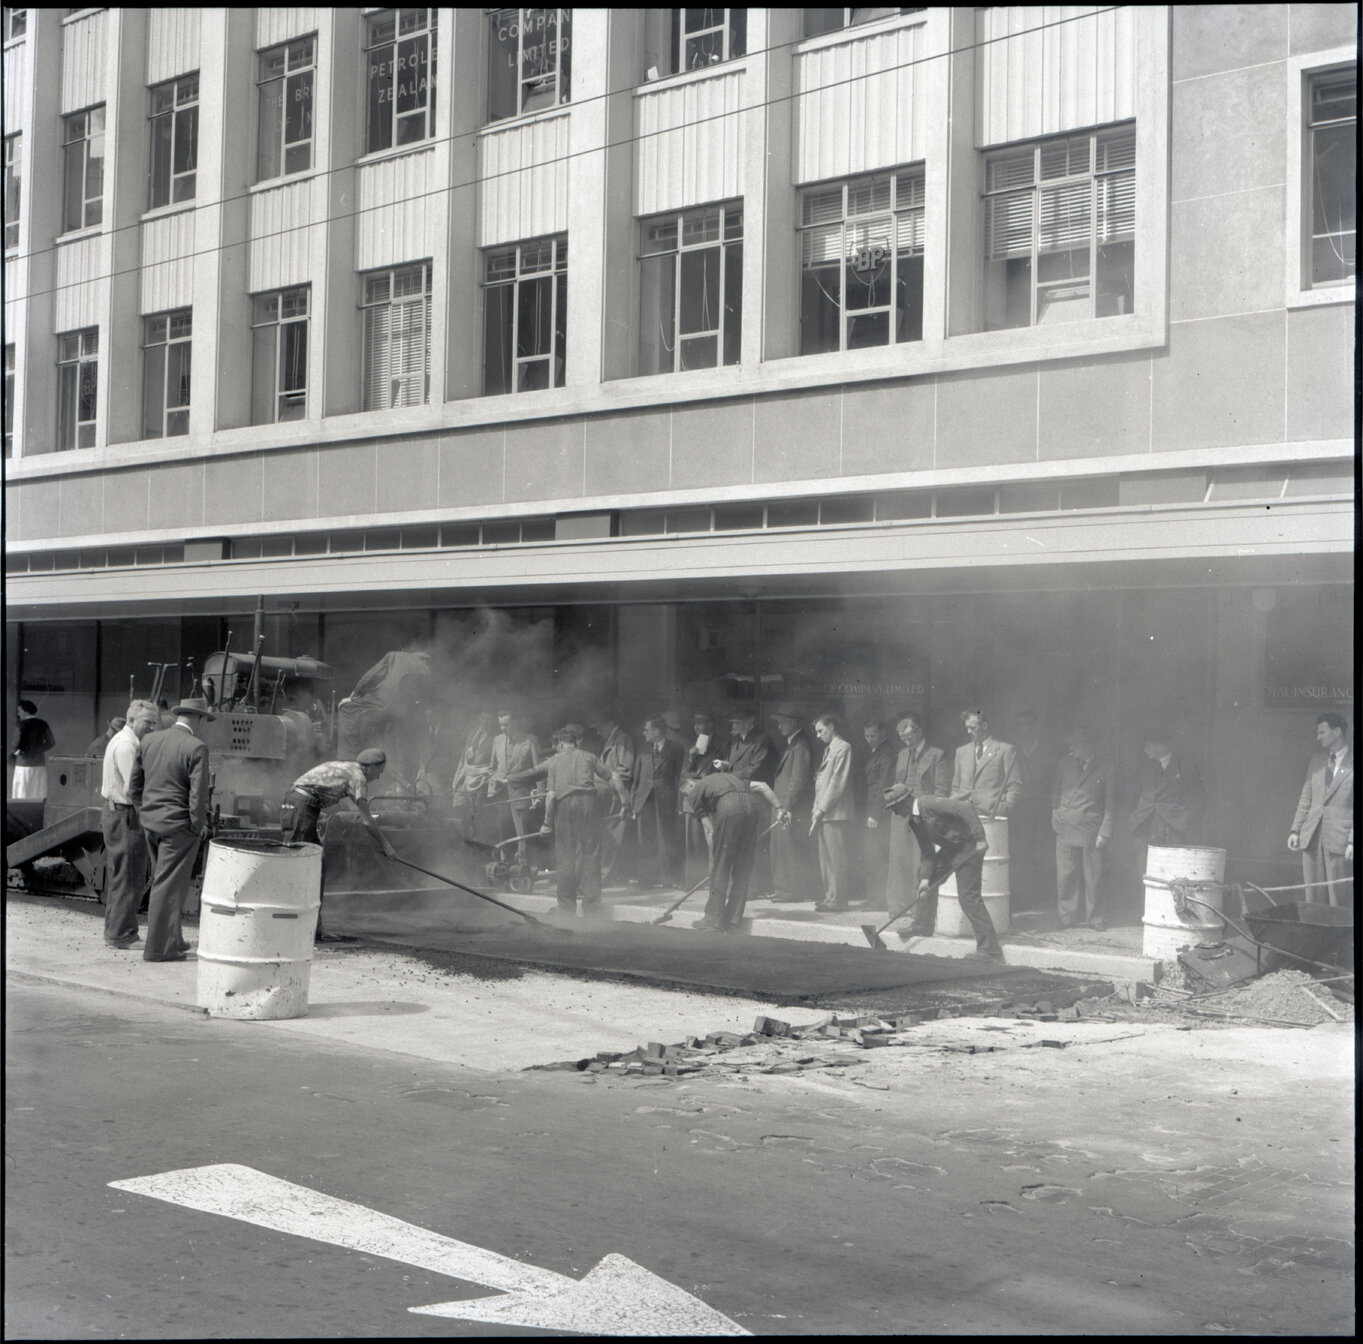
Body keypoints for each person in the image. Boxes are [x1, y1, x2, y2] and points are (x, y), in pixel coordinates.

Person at [282, 748, 398, 942]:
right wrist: (386, 845)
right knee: (300, 865)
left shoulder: (348, 769)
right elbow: (367, 820)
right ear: (372, 767)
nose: (378, 777)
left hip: (304, 805)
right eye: (380, 771)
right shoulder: (358, 777)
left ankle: (314, 926)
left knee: (317, 866)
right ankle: (292, 926)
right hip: (301, 806)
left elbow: (324, 790)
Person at [129, 700, 214, 962]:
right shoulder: (196, 747)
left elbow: (135, 786)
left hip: (151, 824)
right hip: (179, 828)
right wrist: (196, 825)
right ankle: (158, 949)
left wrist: (145, 812)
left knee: (165, 882)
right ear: (198, 719)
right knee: (169, 886)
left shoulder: (149, 741)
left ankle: (173, 940)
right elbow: (198, 795)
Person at [887, 786, 1003, 960]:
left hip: (969, 846)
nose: (895, 813)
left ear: (905, 802)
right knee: (925, 877)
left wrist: (980, 838)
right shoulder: (914, 821)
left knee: (968, 897)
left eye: (895, 808)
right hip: (951, 849)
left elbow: (965, 808)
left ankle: (990, 950)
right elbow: (927, 852)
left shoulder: (930, 803)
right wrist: (926, 879)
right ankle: (922, 925)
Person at [512, 724, 612, 916]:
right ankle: (592, 907)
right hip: (590, 806)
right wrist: (623, 803)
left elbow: (550, 796)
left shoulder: (555, 761)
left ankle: (566, 907)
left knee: (566, 856)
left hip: (565, 807)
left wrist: (547, 823)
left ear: (559, 743)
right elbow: (612, 777)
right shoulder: (590, 756)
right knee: (591, 854)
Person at [681, 771, 788, 931]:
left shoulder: (695, 792)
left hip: (729, 807)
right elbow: (763, 787)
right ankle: (733, 918)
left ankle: (712, 920)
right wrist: (780, 808)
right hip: (751, 807)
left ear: (690, 784)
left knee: (721, 867)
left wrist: (717, 855)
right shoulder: (728, 778)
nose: (687, 797)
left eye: (685, 794)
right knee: (743, 867)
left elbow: (709, 830)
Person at [98, 701, 159, 949]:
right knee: (130, 876)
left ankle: (114, 931)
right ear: (132, 720)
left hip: (118, 814)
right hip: (126, 815)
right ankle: (122, 935)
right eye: (148, 723)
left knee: (122, 875)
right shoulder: (127, 745)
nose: (152, 728)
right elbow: (134, 789)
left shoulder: (128, 741)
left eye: (154, 723)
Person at [885, 711, 950, 922]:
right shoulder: (903, 754)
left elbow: (941, 791)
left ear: (919, 732)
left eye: (909, 737)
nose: (906, 742)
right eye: (902, 739)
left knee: (920, 862)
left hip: (923, 817)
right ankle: (897, 908)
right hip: (901, 816)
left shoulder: (936, 755)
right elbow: (897, 782)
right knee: (898, 862)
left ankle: (918, 910)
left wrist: (927, 812)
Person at [1051, 725, 1116, 930]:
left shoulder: (1106, 768)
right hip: (1065, 826)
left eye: (1076, 746)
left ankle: (1096, 918)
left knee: (1094, 877)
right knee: (1066, 874)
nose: (1071, 749)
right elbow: (1055, 793)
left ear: (1088, 746)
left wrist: (1104, 832)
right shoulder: (1065, 763)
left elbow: (1111, 805)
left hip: (1091, 829)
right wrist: (1056, 817)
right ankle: (1067, 917)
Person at [1288, 712, 1353, 906]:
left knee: (1338, 899)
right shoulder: (1316, 762)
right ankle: (1317, 936)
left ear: (1337, 732)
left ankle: (1340, 937)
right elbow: (1306, 798)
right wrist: (1295, 830)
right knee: (1313, 897)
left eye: (1322, 732)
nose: (1318, 737)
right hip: (1312, 838)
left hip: (1339, 841)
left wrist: (1352, 841)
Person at [336, 649, 433, 778]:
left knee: (347, 708)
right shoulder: (427, 671)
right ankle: (402, 774)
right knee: (403, 737)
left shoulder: (394, 656)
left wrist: (355, 694)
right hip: (407, 711)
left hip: (385, 703)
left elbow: (372, 675)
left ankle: (348, 761)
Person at [1130, 726, 1206, 870]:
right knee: (1145, 873)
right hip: (1146, 827)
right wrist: (1135, 817)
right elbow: (1133, 796)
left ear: (1161, 745)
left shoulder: (1185, 767)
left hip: (1174, 830)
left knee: (1172, 872)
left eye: (1148, 746)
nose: (1145, 750)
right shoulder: (1144, 768)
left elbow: (1200, 800)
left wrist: (1186, 821)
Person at [767, 704, 818, 903]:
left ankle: (791, 891)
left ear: (794, 723)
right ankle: (782, 889)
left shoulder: (801, 744)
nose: (779, 727)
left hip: (789, 807)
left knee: (789, 849)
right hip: (782, 805)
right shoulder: (793, 742)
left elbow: (798, 781)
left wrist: (787, 808)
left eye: (782, 723)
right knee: (781, 848)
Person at [1010, 709, 1057, 912]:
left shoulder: (1048, 752)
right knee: (1021, 854)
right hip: (1019, 814)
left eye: (1026, 725)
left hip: (1043, 812)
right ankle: (1023, 899)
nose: (1023, 730)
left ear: (1035, 727)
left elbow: (1056, 784)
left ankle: (1045, 898)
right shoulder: (1012, 752)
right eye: (1019, 725)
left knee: (1044, 854)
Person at [811, 713, 857, 911]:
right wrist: (816, 810)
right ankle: (830, 897)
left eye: (821, 730)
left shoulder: (843, 747)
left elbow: (837, 782)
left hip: (835, 813)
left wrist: (821, 809)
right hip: (825, 813)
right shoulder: (829, 750)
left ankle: (838, 900)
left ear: (831, 727)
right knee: (826, 858)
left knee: (836, 857)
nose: (818, 735)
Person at [631, 717, 684, 887]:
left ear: (658, 731)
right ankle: (646, 879)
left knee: (666, 838)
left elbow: (679, 777)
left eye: (647, 730)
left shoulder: (676, 748)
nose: (644, 733)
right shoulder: (643, 749)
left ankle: (669, 879)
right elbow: (636, 778)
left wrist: (680, 802)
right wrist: (634, 803)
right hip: (644, 800)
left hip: (666, 799)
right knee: (645, 840)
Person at [487, 709, 542, 865]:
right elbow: (492, 767)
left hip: (521, 791)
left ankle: (525, 865)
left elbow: (539, 770)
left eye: (506, 724)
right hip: (501, 792)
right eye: (501, 725)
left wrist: (538, 794)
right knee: (503, 828)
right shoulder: (496, 740)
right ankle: (505, 862)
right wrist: (494, 779)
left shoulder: (530, 740)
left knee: (522, 831)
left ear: (515, 723)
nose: (503, 728)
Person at [681, 710, 729, 884]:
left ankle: (713, 878)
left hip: (711, 795)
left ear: (710, 725)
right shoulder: (692, 746)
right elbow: (686, 773)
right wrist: (692, 757)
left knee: (712, 836)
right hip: (694, 795)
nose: (697, 727)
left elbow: (724, 771)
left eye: (701, 723)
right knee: (693, 838)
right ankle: (694, 879)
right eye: (695, 723)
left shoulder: (722, 745)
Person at [861, 718, 899, 908]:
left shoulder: (887, 754)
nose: (870, 739)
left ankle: (878, 900)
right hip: (872, 810)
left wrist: (875, 814)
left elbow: (884, 785)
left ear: (883, 733)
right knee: (872, 856)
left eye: (873, 735)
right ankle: (874, 898)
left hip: (879, 813)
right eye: (867, 736)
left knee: (877, 857)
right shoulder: (877, 753)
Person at [11, 700, 56, 801]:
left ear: (26, 711)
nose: (18, 714)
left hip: (23, 765)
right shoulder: (43, 724)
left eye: (20, 711)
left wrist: (19, 753)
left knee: (22, 793)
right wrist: (37, 750)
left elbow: (16, 746)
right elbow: (51, 742)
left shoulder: (21, 724)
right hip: (39, 764)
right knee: (37, 792)